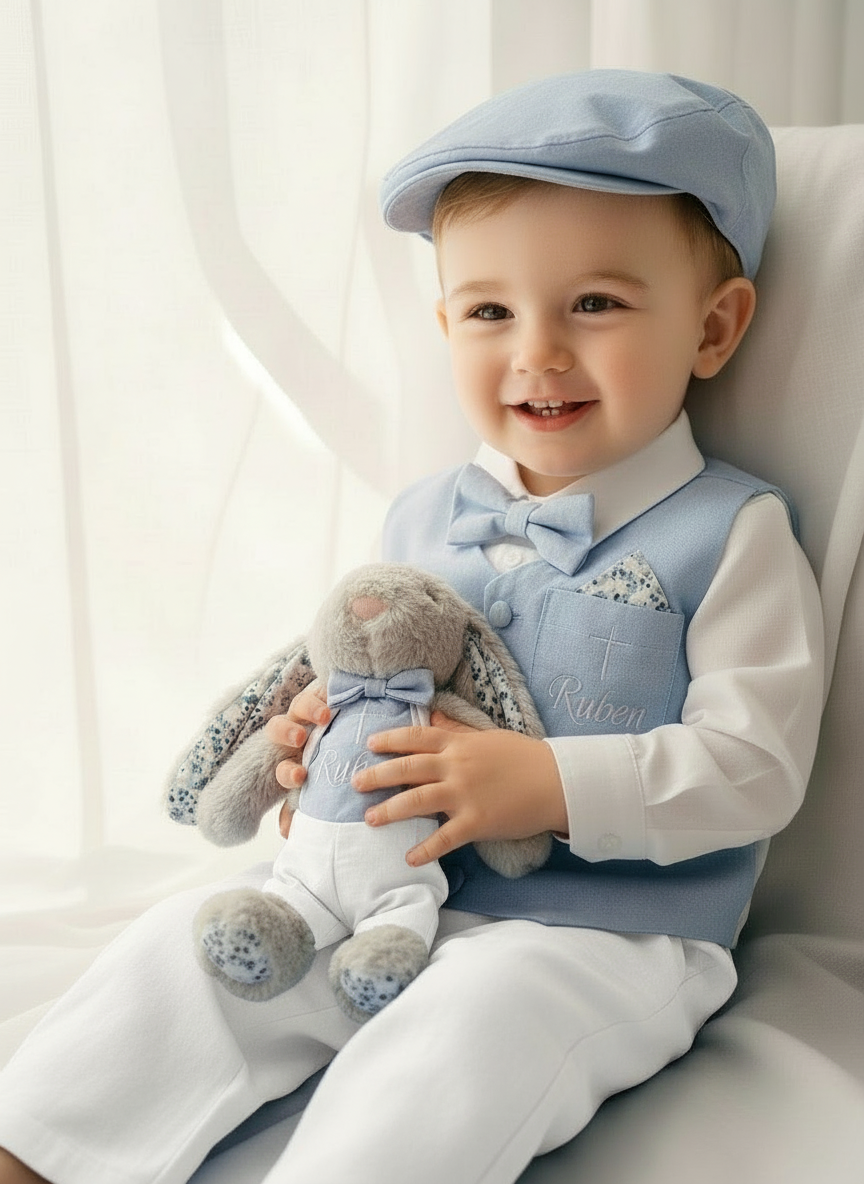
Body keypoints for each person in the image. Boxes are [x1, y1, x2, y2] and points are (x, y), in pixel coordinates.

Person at [0, 69, 823, 1184]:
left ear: (714, 328)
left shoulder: (732, 531)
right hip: (383, 893)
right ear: (445, 324)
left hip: (598, 932)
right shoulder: (423, 512)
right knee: (186, 953)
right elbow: (372, 675)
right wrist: (316, 753)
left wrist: (544, 782)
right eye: (489, 310)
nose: (536, 350)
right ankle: (38, 1145)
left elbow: (756, 766)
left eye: (595, 303)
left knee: (470, 1028)